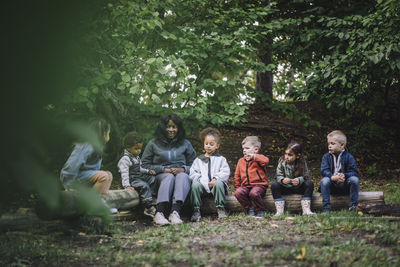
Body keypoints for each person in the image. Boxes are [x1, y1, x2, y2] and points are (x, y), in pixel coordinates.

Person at [141, 114, 196, 225]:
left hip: (181, 178)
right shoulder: (153, 143)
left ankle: (175, 213)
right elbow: (143, 165)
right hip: (160, 178)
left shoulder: (185, 143)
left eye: (174, 127)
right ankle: (159, 213)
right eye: (168, 126)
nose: (171, 130)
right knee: (168, 176)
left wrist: (183, 169)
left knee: (183, 176)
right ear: (163, 127)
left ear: (178, 128)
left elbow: (196, 165)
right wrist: (162, 169)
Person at [60, 118, 117, 213]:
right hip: (75, 178)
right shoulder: (86, 146)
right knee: (104, 176)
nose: (109, 135)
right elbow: (72, 165)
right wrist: (69, 185)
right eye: (108, 132)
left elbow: (93, 170)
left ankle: (99, 202)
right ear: (102, 133)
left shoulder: (97, 146)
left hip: (84, 176)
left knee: (109, 175)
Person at [189, 128, 230, 222]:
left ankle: (220, 208)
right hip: (202, 187)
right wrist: (202, 181)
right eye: (206, 144)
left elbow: (225, 171)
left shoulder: (221, 159)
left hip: (215, 186)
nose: (208, 146)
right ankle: (196, 210)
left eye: (211, 144)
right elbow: (193, 173)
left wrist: (215, 179)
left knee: (219, 183)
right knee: (195, 184)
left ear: (217, 146)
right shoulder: (198, 160)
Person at [117, 131, 156, 218]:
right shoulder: (125, 159)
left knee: (153, 179)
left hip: (138, 177)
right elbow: (124, 173)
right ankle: (148, 207)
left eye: (140, 149)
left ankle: (150, 198)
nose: (139, 151)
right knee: (144, 185)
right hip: (131, 180)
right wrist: (126, 185)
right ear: (128, 147)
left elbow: (139, 168)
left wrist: (147, 171)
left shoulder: (136, 157)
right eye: (136, 148)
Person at [271, 141, 315, 217]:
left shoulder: (302, 162)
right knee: (274, 185)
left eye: (290, 155)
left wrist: (299, 180)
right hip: (285, 187)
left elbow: (306, 177)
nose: (286, 157)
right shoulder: (282, 162)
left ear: (298, 156)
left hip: (298, 187)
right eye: (286, 154)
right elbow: (278, 175)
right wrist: (282, 180)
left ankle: (306, 210)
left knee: (309, 184)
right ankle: (279, 211)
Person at [319, 130, 359, 212]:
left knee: (355, 180)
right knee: (324, 180)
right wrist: (332, 177)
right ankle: (326, 208)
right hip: (332, 184)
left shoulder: (349, 157)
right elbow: (324, 170)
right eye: (328, 144)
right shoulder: (326, 157)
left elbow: (354, 172)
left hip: (344, 184)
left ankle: (353, 206)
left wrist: (344, 175)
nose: (329, 146)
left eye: (332, 144)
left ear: (342, 145)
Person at [234, 136, 269, 218]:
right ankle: (250, 209)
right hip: (246, 186)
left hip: (259, 185)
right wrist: (238, 187)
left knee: (254, 193)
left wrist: (254, 157)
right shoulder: (241, 161)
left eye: (247, 148)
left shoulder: (259, 159)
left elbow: (266, 161)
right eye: (243, 148)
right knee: (238, 192)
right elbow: (237, 176)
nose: (244, 150)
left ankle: (261, 210)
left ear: (256, 149)